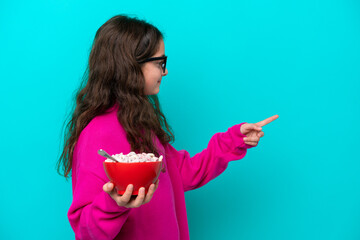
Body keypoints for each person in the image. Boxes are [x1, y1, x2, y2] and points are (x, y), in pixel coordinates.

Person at [57, 14, 278, 240]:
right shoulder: (97, 134)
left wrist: (234, 140)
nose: (165, 71)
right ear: (131, 65)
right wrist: (114, 204)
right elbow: (86, 230)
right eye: (160, 63)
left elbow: (183, 173)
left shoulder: (139, 124)